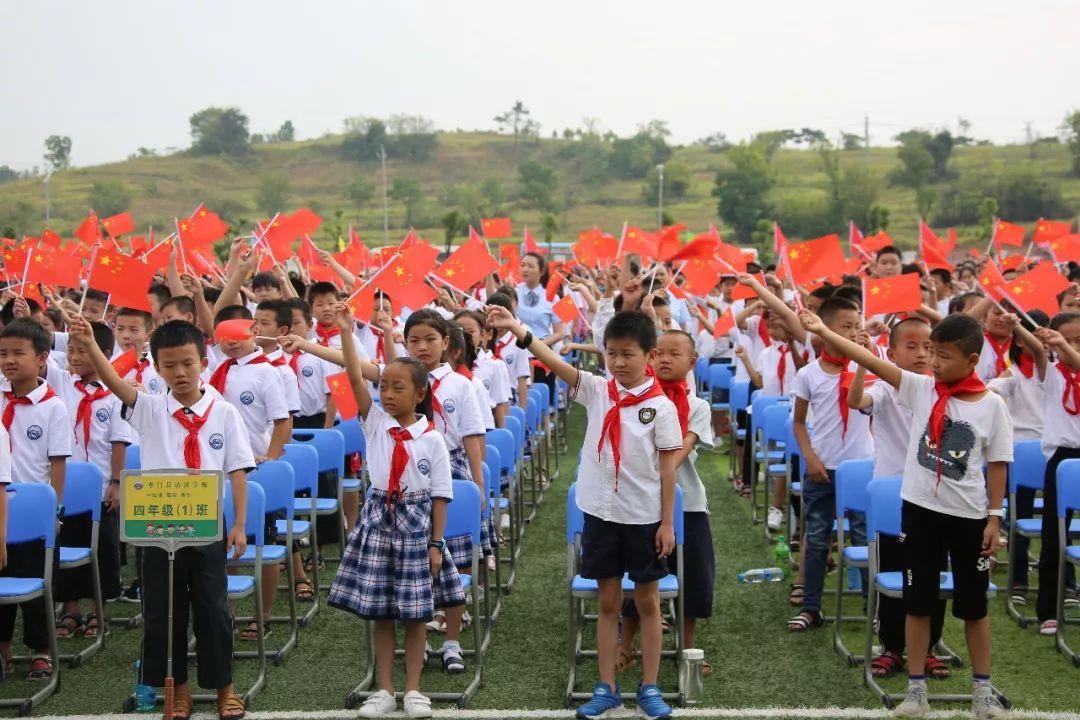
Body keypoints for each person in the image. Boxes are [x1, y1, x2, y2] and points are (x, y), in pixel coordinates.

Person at [799, 310, 1011, 719]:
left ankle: (982, 689)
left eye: (943, 356)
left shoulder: (992, 406)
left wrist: (994, 517)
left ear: (972, 360)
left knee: (974, 607)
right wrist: (823, 331)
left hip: (968, 517)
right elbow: (874, 363)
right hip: (920, 512)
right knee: (918, 603)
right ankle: (916, 689)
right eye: (931, 353)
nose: (933, 362)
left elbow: (999, 463)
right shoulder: (921, 389)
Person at [486, 305, 680, 720]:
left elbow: (668, 469)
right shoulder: (596, 389)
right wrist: (517, 328)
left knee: (647, 603)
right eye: (611, 353)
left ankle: (650, 686)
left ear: (650, 356)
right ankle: (606, 686)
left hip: (643, 516)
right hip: (600, 513)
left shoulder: (661, 407)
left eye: (628, 354)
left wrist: (666, 523)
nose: (619, 362)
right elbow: (553, 361)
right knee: (607, 602)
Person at [72, 316, 252, 720]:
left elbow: (238, 470)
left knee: (213, 609)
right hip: (156, 528)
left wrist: (239, 523)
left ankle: (225, 689)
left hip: (206, 527)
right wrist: (92, 345)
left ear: (204, 361)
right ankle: (179, 691)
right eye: (169, 365)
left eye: (187, 362)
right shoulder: (150, 408)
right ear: (156, 368)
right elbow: (117, 385)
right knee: (163, 612)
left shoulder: (223, 414)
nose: (180, 372)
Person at [327, 302, 463, 719]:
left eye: (397, 387)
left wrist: (436, 543)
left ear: (420, 394)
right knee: (382, 611)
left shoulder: (432, 439)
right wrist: (347, 332)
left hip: (417, 524)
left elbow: (441, 494)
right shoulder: (373, 422)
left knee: (417, 613)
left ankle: (413, 689)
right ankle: (383, 689)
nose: (386, 394)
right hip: (378, 521)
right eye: (383, 386)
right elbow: (353, 376)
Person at [847, 317, 951, 681]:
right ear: (890, 354)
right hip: (893, 496)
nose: (922, 354)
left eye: (929, 348)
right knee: (894, 573)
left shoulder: (943, 390)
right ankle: (892, 647)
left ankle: (930, 647)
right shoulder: (885, 389)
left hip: (935, 496)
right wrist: (861, 360)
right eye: (912, 346)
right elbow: (856, 399)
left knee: (933, 574)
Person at [616, 329, 715, 677]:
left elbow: (676, 453)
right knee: (639, 578)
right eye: (661, 354)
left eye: (677, 354)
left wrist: (648, 461)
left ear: (693, 362)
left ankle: (687, 649)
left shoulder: (698, 407)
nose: (667, 360)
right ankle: (625, 646)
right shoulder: (637, 399)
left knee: (692, 580)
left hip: (687, 507)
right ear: (652, 356)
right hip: (640, 504)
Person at [402, 309, 486, 674]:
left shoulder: (461, 385)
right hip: (410, 473)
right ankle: (417, 641)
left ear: (446, 343)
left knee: (453, 561)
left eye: (430, 340)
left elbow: (472, 436)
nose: (422, 347)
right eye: (414, 340)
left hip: (452, 471)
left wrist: (478, 487)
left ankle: (452, 639)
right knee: (415, 564)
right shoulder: (400, 378)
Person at [787, 297, 874, 632]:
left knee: (865, 537)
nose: (853, 332)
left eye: (857, 325)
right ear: (823, 331)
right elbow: (798, 422)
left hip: (862, 468)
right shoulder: (809, 374)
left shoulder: (868, 367)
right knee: (818, 538)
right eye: (845, 327)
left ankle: (872, 606)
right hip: (822, 467)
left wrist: (864, 360)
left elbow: (870, 408)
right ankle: (811, 607)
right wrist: (809, 456)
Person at [49, 320, 134, 639]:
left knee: (102, 549)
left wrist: (116, 482)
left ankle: (101, 610)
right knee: (65, 544)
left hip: (100, 488)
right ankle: (70, 610)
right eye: (70, 350)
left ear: (104, 355)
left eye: (82, 350)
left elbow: (119, 442)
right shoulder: (61, 386)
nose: (73, 356)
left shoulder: (116, 394)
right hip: (65, 487)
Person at [0, 319, 70, 680]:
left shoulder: (53, 407)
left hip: (34, 515)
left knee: (37, 583)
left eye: (17, 353)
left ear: (42, 358)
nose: (8, 360)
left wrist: (54, 511)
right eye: (2, 353)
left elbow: (58, 463)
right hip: (0, 511)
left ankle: (42, 650)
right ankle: (4, 650)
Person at [1033, 313, 1080, 635]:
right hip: (1062, 459)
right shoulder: (1052, 372)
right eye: (1066, 339)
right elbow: (1036, 350)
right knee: (1054, 534)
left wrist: (1066, 344)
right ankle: (1049, 608)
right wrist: (1023, 329)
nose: (1071, 345)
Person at [515, 252, 565, 395]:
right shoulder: (512, 293)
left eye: (530, 266)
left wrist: (538, 344)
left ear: (542, 271)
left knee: (541, 397)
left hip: (542, 354)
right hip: (518, 350)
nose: (525, 269)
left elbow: (559, 333)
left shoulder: (553, 297)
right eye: (522, 265)